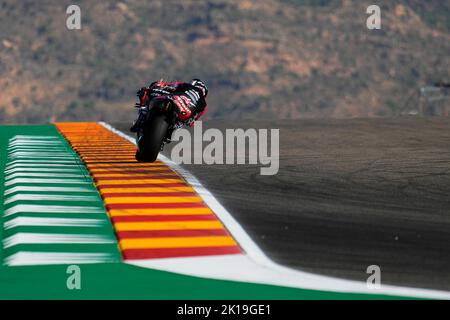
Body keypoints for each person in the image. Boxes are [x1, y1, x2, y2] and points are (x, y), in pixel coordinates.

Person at [130, 79, 208, 135]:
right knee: (180, 123)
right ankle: (172, 130)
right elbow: (195, 119)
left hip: (175, 99)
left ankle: (143, 112)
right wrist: (190, 121)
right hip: (186, 111)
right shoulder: (204, 103)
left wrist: (159, 86)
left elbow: (172, 85)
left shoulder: (187, 85)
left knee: (148, 93)